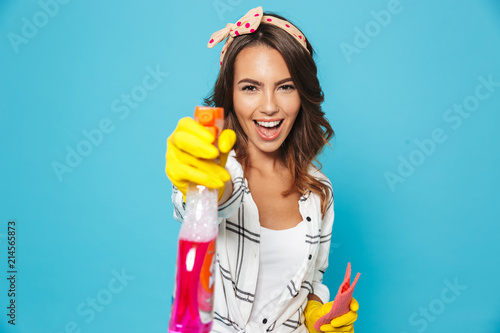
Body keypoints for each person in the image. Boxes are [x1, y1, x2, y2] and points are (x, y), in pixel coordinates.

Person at [165, 6, 359, 332]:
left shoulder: (319, 189)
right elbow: (206, 203)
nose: (269, 106)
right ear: (230, 95)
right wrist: (196, 177)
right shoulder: (217, 168)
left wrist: (317, 314)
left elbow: (310, 284)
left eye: (285, 86)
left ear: (303, 94)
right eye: (250, 87)